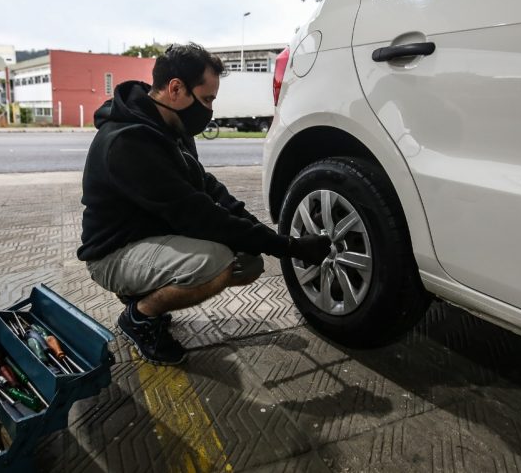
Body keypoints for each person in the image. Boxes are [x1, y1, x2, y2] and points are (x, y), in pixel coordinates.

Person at [77, 43, 331, 365]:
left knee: (249, 261)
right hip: (113, 253)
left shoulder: (172, 125)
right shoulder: (127, 142)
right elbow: (201, 216)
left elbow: (209, 189)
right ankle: (139, 317)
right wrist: (289, 247)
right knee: (217, 262)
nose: (209, 109)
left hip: (150, 235)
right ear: (175, 88)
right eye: (207, 98)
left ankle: (145, 293)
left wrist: (266, 234)